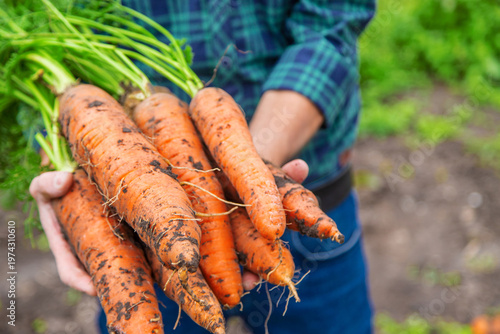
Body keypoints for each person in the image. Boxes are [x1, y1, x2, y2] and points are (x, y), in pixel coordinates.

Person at [29, 0, 376, 333]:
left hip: (301, 199)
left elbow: (333, 22)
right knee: (149, 293)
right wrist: (62, 179)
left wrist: (245, 171)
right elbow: (37, 77)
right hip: (135, 238)